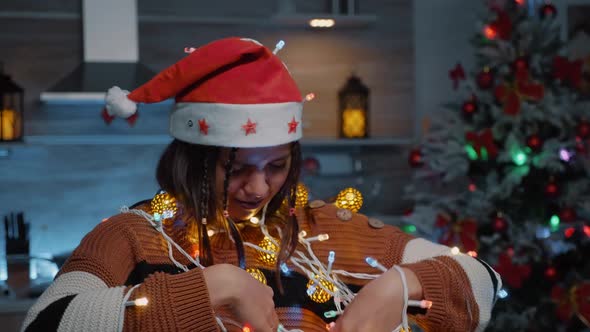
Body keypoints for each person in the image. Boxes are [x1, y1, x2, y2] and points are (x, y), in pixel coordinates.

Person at [21, 37, 501, 332]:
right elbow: (45, 324)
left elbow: (484, 281)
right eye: (235, 170)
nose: (257, 187)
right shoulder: (132, 234)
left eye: (275, 166)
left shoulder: (331, 230)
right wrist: (213, 287)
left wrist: (401, 285)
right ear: (191, 159)